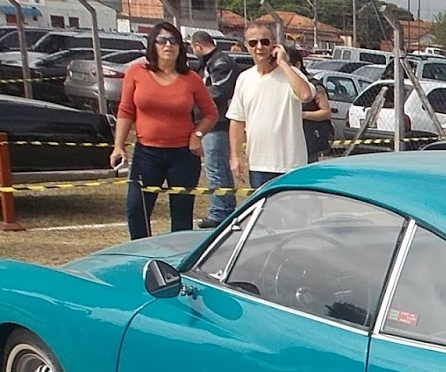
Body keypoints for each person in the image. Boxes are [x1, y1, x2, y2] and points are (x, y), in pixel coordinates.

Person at [110, 23, 217, 239]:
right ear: (153, 44)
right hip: (146, 154)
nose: (168, 45)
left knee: (181, 215)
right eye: (162, 40)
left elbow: (211, 113)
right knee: (136, 210)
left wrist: (197, 135)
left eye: (174, 40)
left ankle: (177, 255)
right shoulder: (137, 72)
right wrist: (118, 146)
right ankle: (141, 252)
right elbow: (126, 110)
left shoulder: (191, 78)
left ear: (180, 46)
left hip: (183, 156)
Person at [228, 22, 316, 191]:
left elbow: (306, 95)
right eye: (253, 43)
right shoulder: (244, 79)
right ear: (246, 46)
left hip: (290, 165)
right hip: (258, 165)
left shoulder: (291, 74)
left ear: (274, 44)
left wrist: (283, 63)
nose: (259, 47)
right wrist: (235, 156)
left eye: (265, 41)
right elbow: (237, 120)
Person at [190, 30, 240, 228]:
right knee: (217, 168)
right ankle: (224, 209)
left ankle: (220, 211)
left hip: (218, 123)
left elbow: (219, 90)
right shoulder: (209, 63)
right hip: (211, 122)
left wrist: (193, 97)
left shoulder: (220, 62)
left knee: (216, 168)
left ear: (198, 45)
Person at [285, 46, 334, 162]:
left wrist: (303, 115)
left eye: (286, 64)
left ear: (297, 65)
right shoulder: (282, 84)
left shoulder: (313, 85)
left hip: (309, 140)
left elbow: (326, 112)